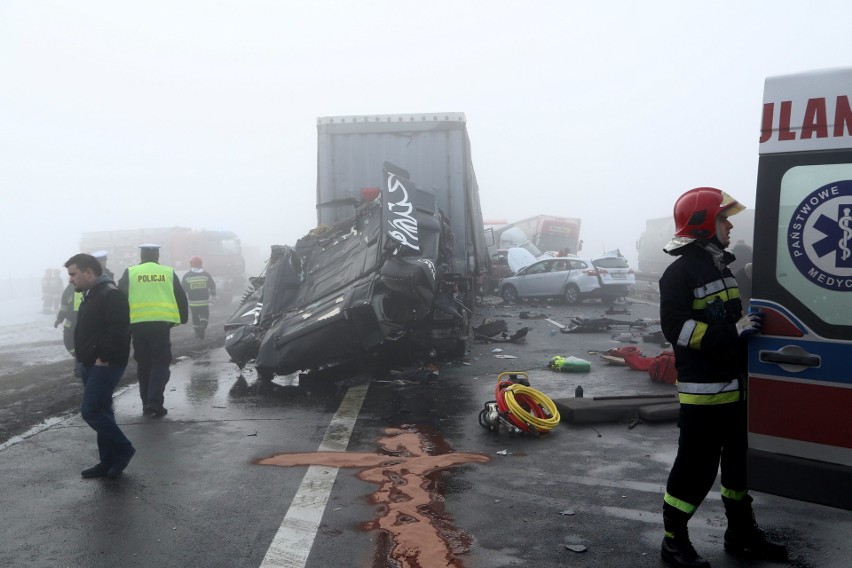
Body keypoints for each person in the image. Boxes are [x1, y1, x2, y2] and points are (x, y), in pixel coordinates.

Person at [658, 187, 787, 568]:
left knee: (737, 469)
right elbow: (676, 329)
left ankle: (741, 534)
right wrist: (732, 333)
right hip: (705, 396)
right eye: (723, 218)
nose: (730, 224)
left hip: (735, 390)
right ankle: (673, 542)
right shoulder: (679, 273)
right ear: (703, 224)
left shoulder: (720, 266)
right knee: (695, 471)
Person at [63, 253, 135, 479]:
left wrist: (103, 358)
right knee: (103, 411)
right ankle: (107, 461)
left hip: (105, 364)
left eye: (73, 274)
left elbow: (119, 330)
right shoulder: (91, 294)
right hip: (90, 363)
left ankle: (124, 449)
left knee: (91, 410)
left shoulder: (110, 294)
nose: (71, 279)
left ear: (88, 273)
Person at [118, 244, 188, 417]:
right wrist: (183, 317)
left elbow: (119, 297)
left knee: (144, 364)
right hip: (160, 325)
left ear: (141, 256)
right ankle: (155, 402)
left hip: (137, 325)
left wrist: (121, 322)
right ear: (157, 256)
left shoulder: (131, 272)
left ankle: (146, 404)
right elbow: (180, 296)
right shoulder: (168, 272)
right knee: (160, 363)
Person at [181, 256, 217, 340]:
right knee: (204, 315)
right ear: (201, 264)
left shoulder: (187, 276)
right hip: (204, 302)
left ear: (191, 265)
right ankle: (203, 325)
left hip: (193, 303)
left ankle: (198, 334)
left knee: (195, 317)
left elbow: (183, 289)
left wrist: (182, 300)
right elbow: (212, 285)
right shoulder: (206, 275)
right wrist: (213, 295)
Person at [54, 278, 84, 377]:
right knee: (69, 342)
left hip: (85, 321)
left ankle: (80, 368)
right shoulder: (69, 289)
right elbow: (63, 306)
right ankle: (79, 358)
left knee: (83, 344)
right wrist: (59, 319)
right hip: (71, 322)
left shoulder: (88, 287)